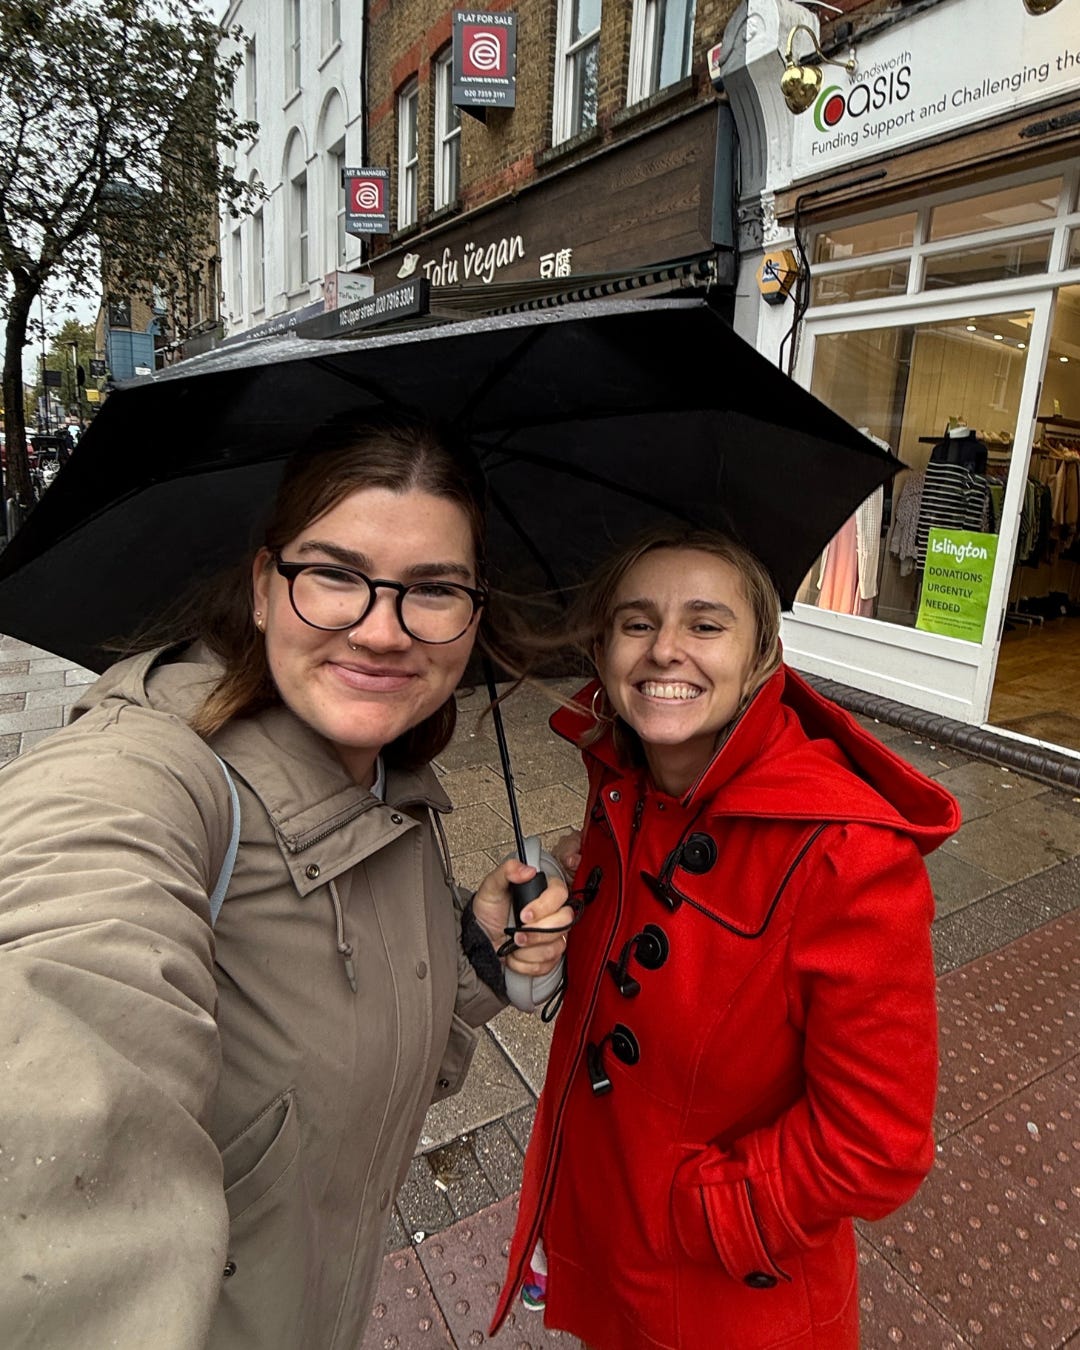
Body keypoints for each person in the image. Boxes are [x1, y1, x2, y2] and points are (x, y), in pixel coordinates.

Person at [0, 418, 572, 1349]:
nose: (383, 630)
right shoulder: (147, 782)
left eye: (432, 590)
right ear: (265, 588)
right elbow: (56, 1018)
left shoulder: (389, 787)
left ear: (475, 613)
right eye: (336, 575)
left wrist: (472, 954)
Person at [492, 527, 960, 1350]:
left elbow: (878, 1143)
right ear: (601, 650)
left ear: (761, 657)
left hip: (728, 1300)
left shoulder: (850, 859)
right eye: (636, 623)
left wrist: (707, 1214)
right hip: (612, 1243)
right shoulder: (624, 794)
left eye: (706, 625)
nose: (666, 649)